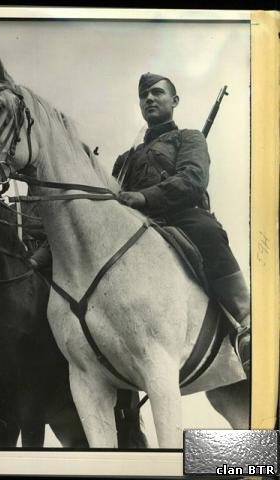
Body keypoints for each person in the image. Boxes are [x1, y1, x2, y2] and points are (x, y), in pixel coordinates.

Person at [111, 72, 251, 376]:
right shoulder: (125, 159)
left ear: (174, 101)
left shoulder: (189, 138)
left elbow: (193, 180)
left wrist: (144, 197)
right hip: (134, 225)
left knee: (206, 229)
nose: (149, 98)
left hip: (179, 217)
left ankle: (246, 321)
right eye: (144, 95)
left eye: (157, 93)